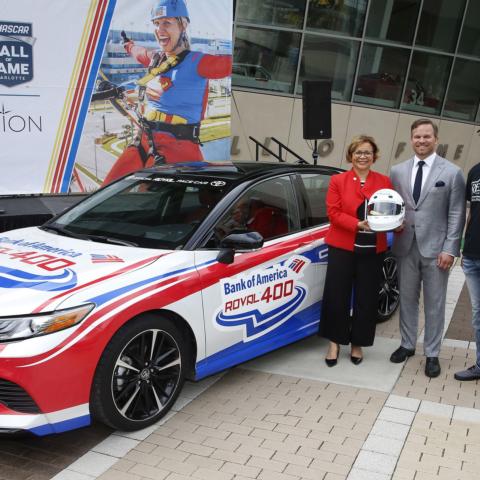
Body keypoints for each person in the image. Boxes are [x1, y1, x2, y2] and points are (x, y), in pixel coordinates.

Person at [103, 0, 232, 185]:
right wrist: (127, 44)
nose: (159, 29)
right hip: (145, 142)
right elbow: (139, 53)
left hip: (178, 149)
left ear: (183, 25)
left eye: (167, 23)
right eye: (156, 24)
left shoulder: (199, 62)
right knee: (104, 192)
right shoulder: (157, 59)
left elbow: (233, 64)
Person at [389, 119, 466, 377]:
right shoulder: (397, 171)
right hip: (405, 246)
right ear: (411, 139)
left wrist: (451, 249)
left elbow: (456, 212)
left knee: (435, 303)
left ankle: (432, 353)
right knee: (407, 299)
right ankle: (407, 344)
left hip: (436, 250)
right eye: (417, 137)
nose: (421, 141)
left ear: (436, 139)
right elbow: (394, 207)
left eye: (426, 136)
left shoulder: (452, 172)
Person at [319, 135, 394, 366]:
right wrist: (357, 224)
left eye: (367, 152)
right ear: (351, 155)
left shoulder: (384, 181)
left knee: (366, 298)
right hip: (342, 246)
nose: (363, 156)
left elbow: (391, 209)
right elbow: (333, 213)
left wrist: (394, 221)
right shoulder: (338, 181)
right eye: (358, 152)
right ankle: (334, 343)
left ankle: (358, 344)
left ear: (374, 156)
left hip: (373, 248)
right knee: (336, 295)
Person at [455, 161, 480, 381]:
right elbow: (471, 212)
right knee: (478, 316)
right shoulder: (475, 171)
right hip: (473, 256)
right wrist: (464, 248)